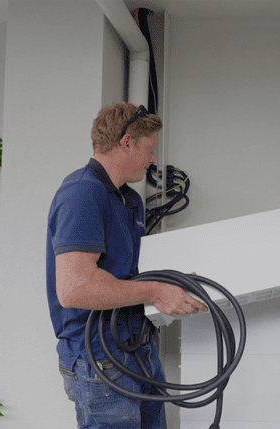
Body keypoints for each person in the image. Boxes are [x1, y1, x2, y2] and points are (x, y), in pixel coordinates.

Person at [46, 102, 208, 429]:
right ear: (126, 142)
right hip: (99, 360)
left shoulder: (128, 199)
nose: (153, 159)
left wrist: (171, 281)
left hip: (137, 349)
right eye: (149, 149)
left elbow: (126, 273)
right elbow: (74, 289)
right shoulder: (83, 193)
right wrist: (156, 291)